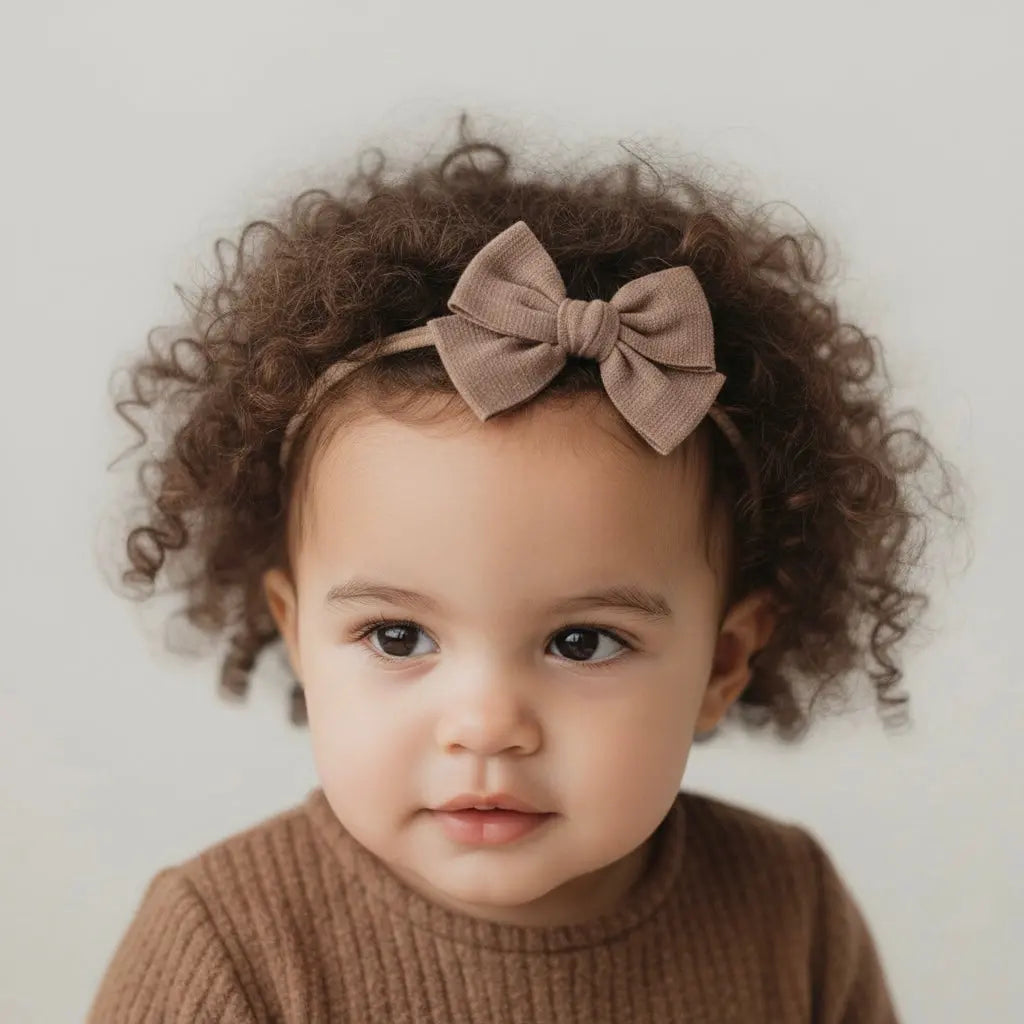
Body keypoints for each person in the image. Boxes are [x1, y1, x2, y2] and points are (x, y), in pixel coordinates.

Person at [87, 117, 962, 1022]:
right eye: (398, 636)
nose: (486, 728)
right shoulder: (227, 948)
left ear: (725, 660)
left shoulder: (791, 914)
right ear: (296, 629)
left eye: (582, 642)